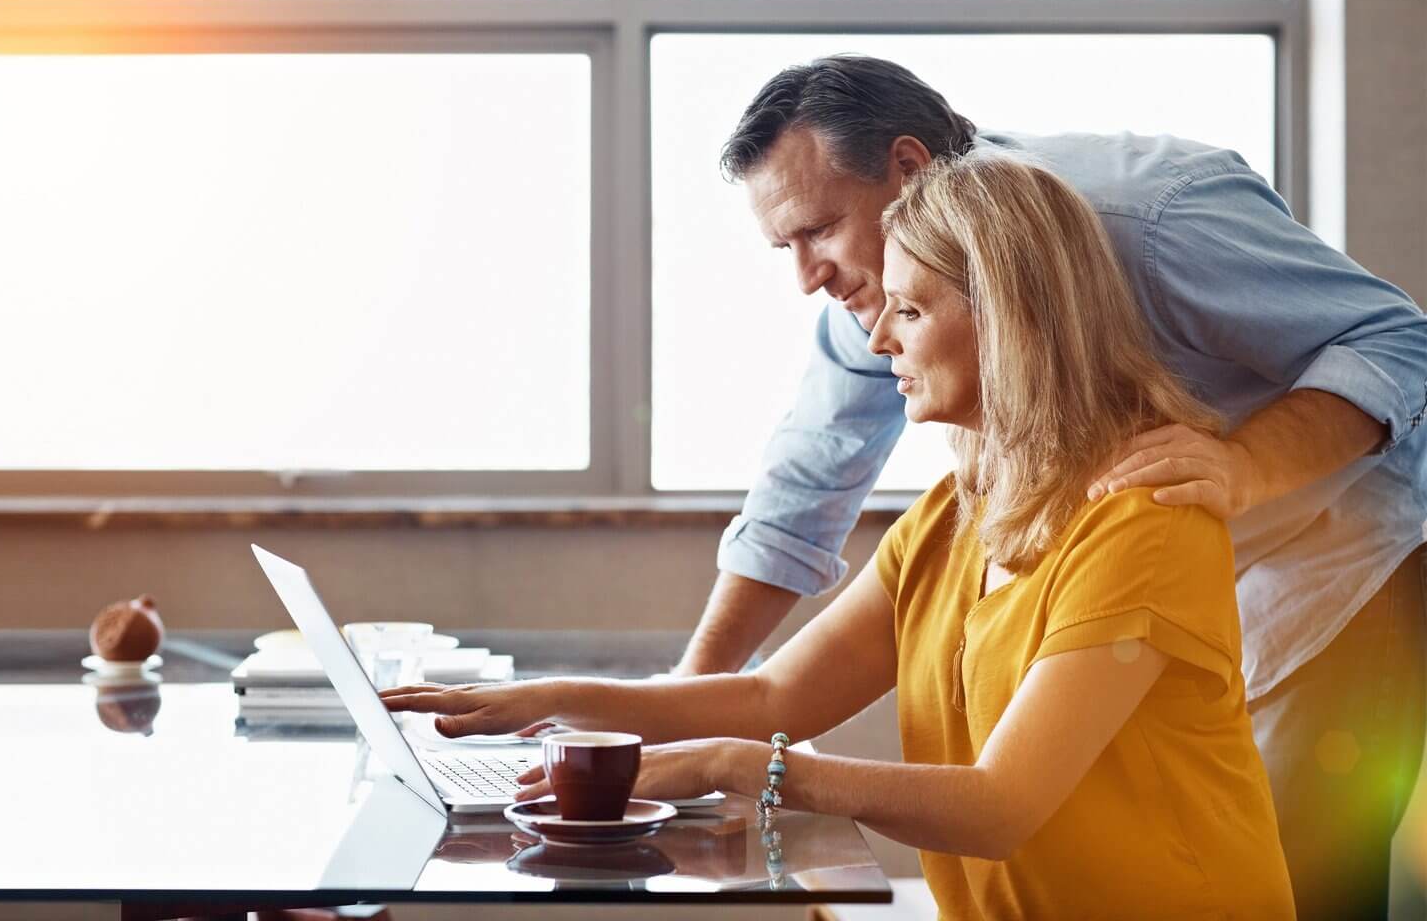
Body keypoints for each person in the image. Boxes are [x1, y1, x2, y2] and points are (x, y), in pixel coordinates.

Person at [385, 151, 1295, 919]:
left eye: (910, 310)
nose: (878, 343)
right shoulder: (953, 517)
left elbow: (1001, 805)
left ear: (1011, 316)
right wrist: (549, 700)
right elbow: (775, 696)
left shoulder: (1145, 522)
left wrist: (733, 767)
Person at [675, 55, 1427, 919]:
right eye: (786, 247)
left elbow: (1397, 345)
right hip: (1135, 565)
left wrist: (1245, 465)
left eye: (817, 231)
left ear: (909, 169)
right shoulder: (879, 294)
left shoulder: (1153, 216)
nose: (808, 275)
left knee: (1309, 875)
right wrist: (693, 712)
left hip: (1323, 560)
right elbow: (803, 487)